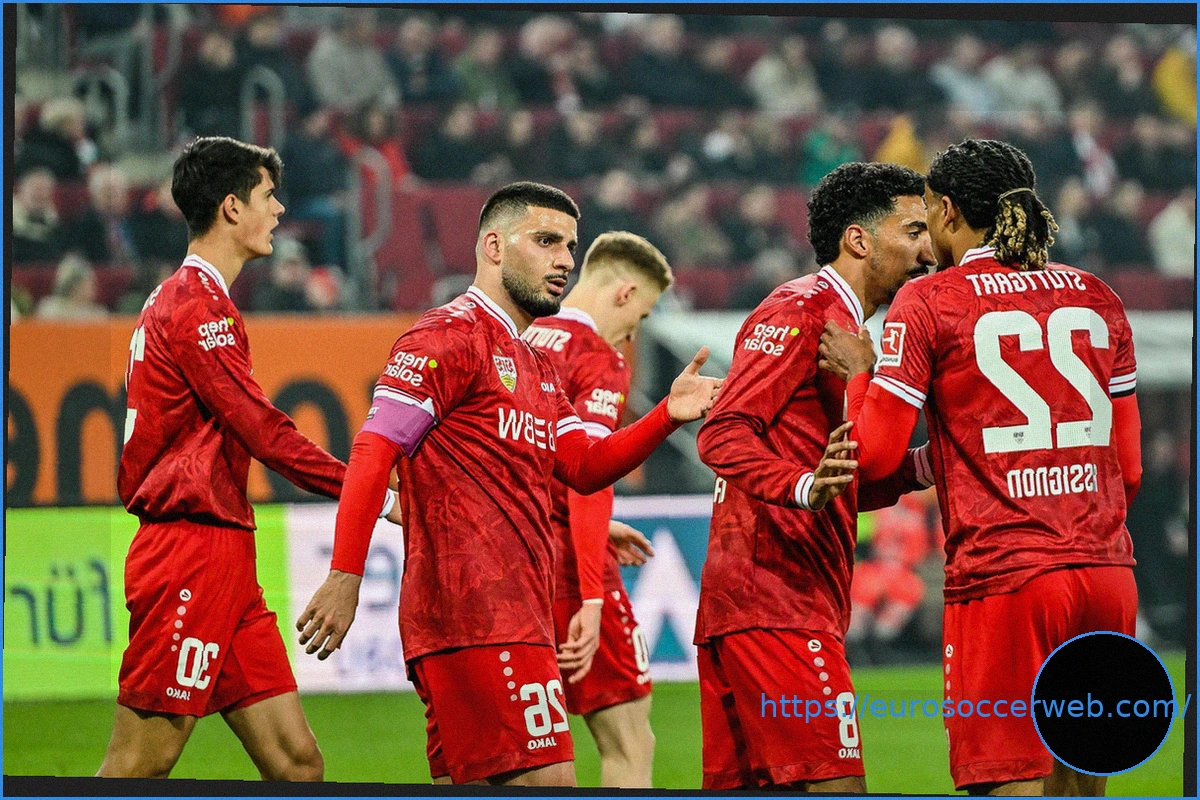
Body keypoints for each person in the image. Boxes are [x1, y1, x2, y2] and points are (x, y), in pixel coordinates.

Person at [295, 182, 722, 786]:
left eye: (570, 246)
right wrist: (346, 574)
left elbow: (584, 466)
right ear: (494, 247)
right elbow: (373, 451)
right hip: (472, 617)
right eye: (546, 241)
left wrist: (666, 416)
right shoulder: (446, 335)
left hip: (517, 615)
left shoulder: (534, 363)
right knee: (549, 782)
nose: (564, 260)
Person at [819, 139, 1141, 796]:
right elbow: (1129, 468)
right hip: (1107, 576)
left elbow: (874, 457)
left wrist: (858, 374)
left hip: (1006, 582)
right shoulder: (1098, 296)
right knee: (1082, 789)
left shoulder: (931, 300)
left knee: (1008, 784)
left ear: (946, 210)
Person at [98, 136, 401, 780]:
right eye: (268, 196)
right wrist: (369, 493)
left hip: (225, 552)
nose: (280, 210)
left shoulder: (181, 299)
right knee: (138, 765)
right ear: (232, 208)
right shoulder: (196, 305)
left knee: (297, 764)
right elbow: (266, 433)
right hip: (190, 550)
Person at [694, 162, 938, 791]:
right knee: (837, 787)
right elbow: (722, 433)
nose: (928, 251)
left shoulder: (845, 327)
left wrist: (920, 466)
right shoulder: (803, 308)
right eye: (913, 231)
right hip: (774, 600)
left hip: (769, 601)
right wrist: (804, 488)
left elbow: (837, 476)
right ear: (859, 239)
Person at [522, 231, 672, 787]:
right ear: (625, 293)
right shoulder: (598, 358)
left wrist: (601, 526)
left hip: (508, 561)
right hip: (567, 569)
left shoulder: (519, 335)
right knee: (630, 742)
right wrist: (590, 592)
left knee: (520, 753)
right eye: (640, 317)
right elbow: (589, 476)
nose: (632, 335)